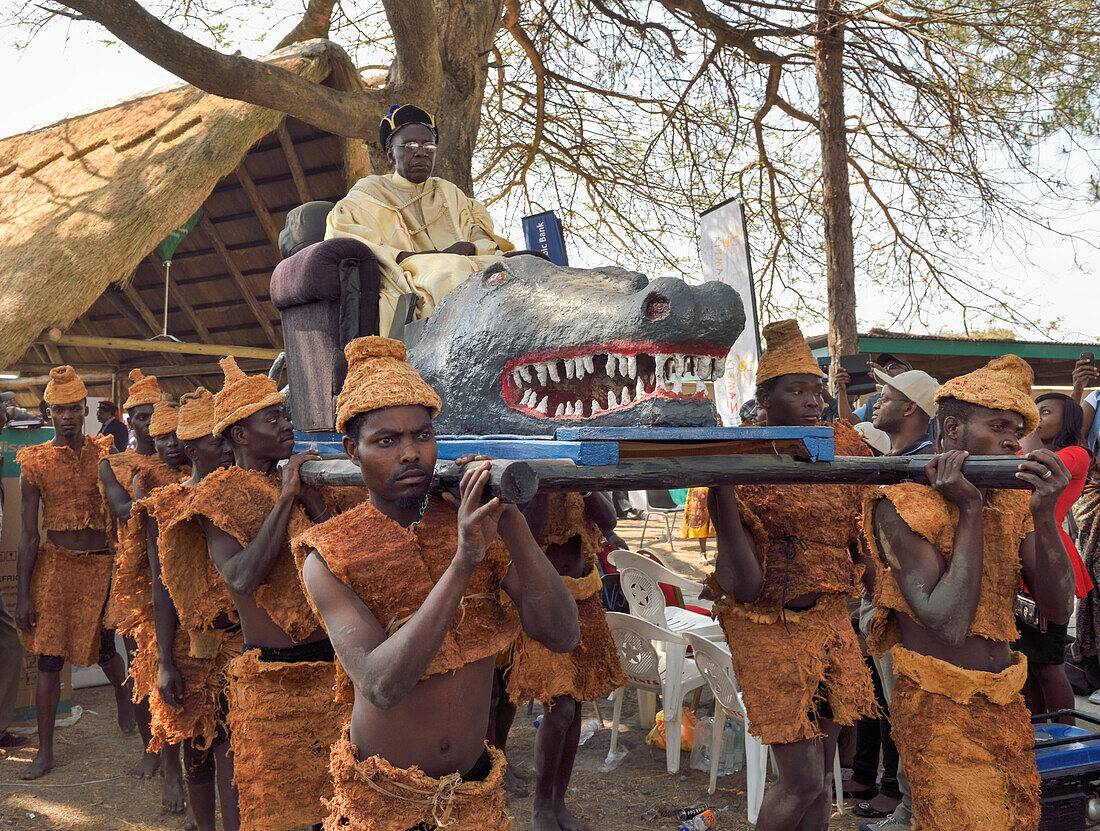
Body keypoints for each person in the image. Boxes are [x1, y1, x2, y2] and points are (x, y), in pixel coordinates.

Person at [293, 335, 580, 831]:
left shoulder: (471, 524)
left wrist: (511, 525)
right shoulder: (329, 552)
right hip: (384, 797)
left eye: (422, 436)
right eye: (387, 441)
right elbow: (382, 685)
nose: (411, 454)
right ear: (352, 452)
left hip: (474, 790)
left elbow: (561, 634)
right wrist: (465, 560)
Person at [863, 355, 1074, 830]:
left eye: (1016, 429)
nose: (1011, 440)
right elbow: (949, 621)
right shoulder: (901, 503)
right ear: (952, 429)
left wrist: (1045, 515)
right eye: (998, 424)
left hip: (1005, 699)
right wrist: (971, 512)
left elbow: (1058, 611)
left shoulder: (1011, 502)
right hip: (937, 705)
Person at [707, 320, 877, 831]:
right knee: (800, 780)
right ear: (764, 399)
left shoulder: (843, 445)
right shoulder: (741, 454)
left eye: (816, 390)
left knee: (821, 777)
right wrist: (723, 493)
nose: (811, 400)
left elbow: (864, 528)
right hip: (768, 626)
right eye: (796, 390)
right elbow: (743, 583)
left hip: (831, 622)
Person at [186, 357, 347, 830]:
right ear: (239, 435)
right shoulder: (217, 495)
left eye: (284, 414)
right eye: (271, 418)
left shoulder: (308, 479)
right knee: (268, 806)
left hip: (333, 664)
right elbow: (239, 577)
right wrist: (285, 499)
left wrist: (313, 503)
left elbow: (354, 561)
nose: (285, 424)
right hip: (269, 673)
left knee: (331, 804)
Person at [14, 366, 135, 780]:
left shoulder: (105, 453)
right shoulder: (34, 461)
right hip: (57, 568)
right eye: (59, 409)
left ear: (84, 410)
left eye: (74, 409)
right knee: (49, 658)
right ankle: (45, 751)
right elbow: (29, 534)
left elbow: (122, 508)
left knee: (104, 649)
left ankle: (124, 702)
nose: (67, 416)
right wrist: (24, 595)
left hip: (103, 567)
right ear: (48, 413)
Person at [326, 104, 518, 336]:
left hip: (464, 261)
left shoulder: (449, 192)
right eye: (409, 146)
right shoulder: (367, 195)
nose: (421, 152)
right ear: (390, 154)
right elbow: (352, 243)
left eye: (429, 145)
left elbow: (477, 233)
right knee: (452, 270)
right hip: (405, 272)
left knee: (515, 267)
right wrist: (433, 257)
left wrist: (471, 246)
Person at [140, 387, 241, 831]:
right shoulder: (164, 507)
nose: (224, 447)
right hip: (190, 643)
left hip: (240, 641)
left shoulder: (241, 494)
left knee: (234, 748)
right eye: (213, 440)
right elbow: (163, 589)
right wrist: (164, 661)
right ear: (189, 447)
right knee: (198, 747)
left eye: (225, 438)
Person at [506, 492, 626, 831]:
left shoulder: (579, 479)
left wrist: (585, 486)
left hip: (585, 599)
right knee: (561, 711)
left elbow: (609, 520)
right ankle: (541, 807)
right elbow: (526, 533)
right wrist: (544, 484)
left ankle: (559, 802)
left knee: (576, 709)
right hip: (543, 601)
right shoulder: (530, 481)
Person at [99, 370, 178, 782]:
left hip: (177, 574)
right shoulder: (113, 464)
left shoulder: (180, 461)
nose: (149, 424)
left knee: (176, 664)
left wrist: (148, 501)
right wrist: (144, 502)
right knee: (140, 668)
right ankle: (156, 752)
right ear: (130, 421)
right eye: (142, 417)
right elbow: (121, 509)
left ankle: (179, 752)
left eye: (156, 416)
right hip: (133, 578)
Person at [115, 395, 192, 813]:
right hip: (152, 590)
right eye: (158, 435)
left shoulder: (204, 476)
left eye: (174, 434)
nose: (166, 443)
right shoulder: (133, 474)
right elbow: (129, 519)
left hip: (193, 593)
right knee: (157, 678)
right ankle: (169, 767)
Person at [1016, 393, 1093, 722]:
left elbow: (1040, 462)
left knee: (1049, 664)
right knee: (1026, 663)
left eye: (1044, 412)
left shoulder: (1076, 454)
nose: (1036, 417)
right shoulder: (1022, 450)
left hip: (1048, 558)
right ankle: (1035, 733)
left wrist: (1025, 422)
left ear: (1069, 421)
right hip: (1020, 555)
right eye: (1034, 413)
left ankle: (1067, 738)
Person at [869, 368, 937, 456]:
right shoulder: (892, 456)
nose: (876, 405)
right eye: (879, 399)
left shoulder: (928, 462)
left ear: (909, 408)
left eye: (885, 399)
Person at [837, 355, 913, 424]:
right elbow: (849, 421)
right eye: (884, 367)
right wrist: (841, 389)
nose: (886, 370)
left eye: (891, 366)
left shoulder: (916, 395)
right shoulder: (874, 400)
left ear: (908, 373)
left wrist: (887, 379)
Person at [681, 487, 715, 564]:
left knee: (719, 518)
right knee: (700, 518)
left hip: (717, 483)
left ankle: (719, 552)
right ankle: (703, 553)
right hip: (700, 486)